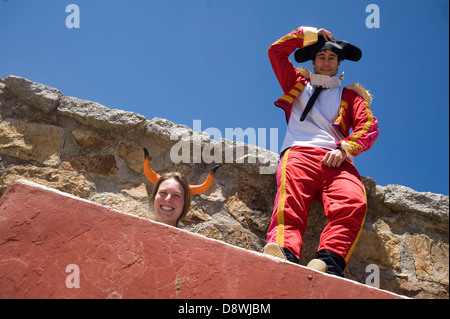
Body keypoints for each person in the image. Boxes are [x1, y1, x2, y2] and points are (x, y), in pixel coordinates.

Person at [263, 26, 379, 277]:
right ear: (314, 61)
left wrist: (346, 149)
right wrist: (310, 33)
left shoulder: (350, 96)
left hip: (336, 159)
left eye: (332, 58)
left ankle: (328, 262)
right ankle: (283, 251)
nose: (326, 62)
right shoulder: (296, 82)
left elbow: (369, 126)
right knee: (289, 205)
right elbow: (275, 52)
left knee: (353, 202)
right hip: (299, 153)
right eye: (321, 57)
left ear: (339, 63)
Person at [143, 148, 219, 227]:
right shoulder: (132, 231)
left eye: (176, 195)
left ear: (184, 204)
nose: (168, 199)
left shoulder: (188, 239)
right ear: (154, 196)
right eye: (163, 193)